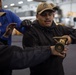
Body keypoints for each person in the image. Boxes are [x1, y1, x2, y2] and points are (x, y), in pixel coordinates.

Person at [22, 2, 76, 75]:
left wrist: (70, 38)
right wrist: (51, 50)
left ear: (53, 15)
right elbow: (29, 54)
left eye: (50, 14)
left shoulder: (59, 28)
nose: (47, 17)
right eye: (44, 15)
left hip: (58, 71)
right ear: (37, 16)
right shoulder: (30, 32)